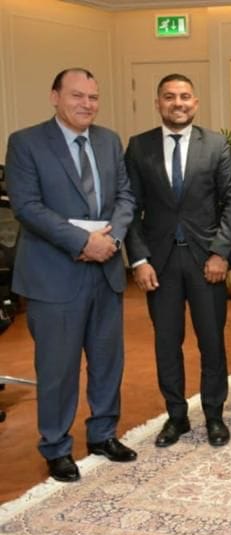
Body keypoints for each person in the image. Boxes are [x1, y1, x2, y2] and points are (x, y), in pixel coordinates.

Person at [5, 68, 137, 481]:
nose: (86, 104)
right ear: (55, 97)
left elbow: (125, 197)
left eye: (93, 97)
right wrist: (82, 242)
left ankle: (103, 434)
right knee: (58, 368)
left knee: (107, 362)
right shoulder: (26, 143)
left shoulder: (109, 141)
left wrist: (112, 238)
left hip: (106, 269)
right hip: (54, 275)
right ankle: (56, 446)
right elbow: (27, 207)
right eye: (77, 96)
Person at [124, 73, 231, 448]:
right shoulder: (139, 146)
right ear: (158, 103)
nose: (178, 103)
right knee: (166, 343)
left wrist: (220, 252)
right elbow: (129, 208)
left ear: (195, 102)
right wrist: (139, 260)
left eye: (185, 96)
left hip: (206, 262)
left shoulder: (216, 145)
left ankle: (214, 415)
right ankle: (176, 416)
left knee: (212, 342)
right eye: (170, 96)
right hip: (158, 264)